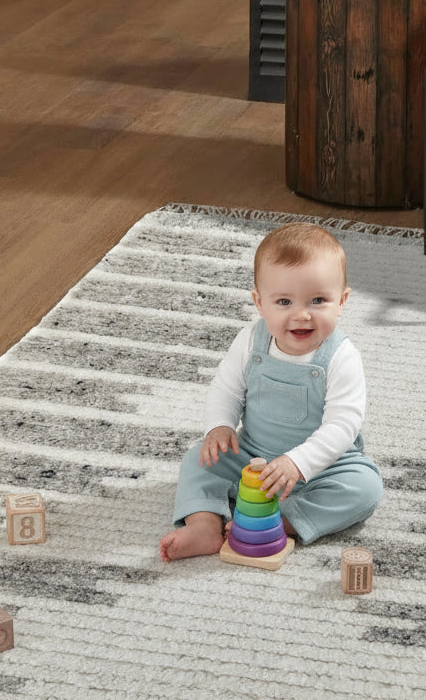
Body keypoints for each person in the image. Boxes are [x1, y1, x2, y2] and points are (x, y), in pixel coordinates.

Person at [159, 221, 383, 562]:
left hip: (325, 467)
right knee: (199, 460)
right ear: (259, 303)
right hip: (253, 457)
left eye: (318, 300)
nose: (302, 315)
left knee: (365, 488)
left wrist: (298, 463)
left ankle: (279, 521)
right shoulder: (251, 341)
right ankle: (204, 525)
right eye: (284, 302)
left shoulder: (342, 357)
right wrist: (219, 427)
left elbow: (343, 425)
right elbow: (227, 389)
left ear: (343, 301)